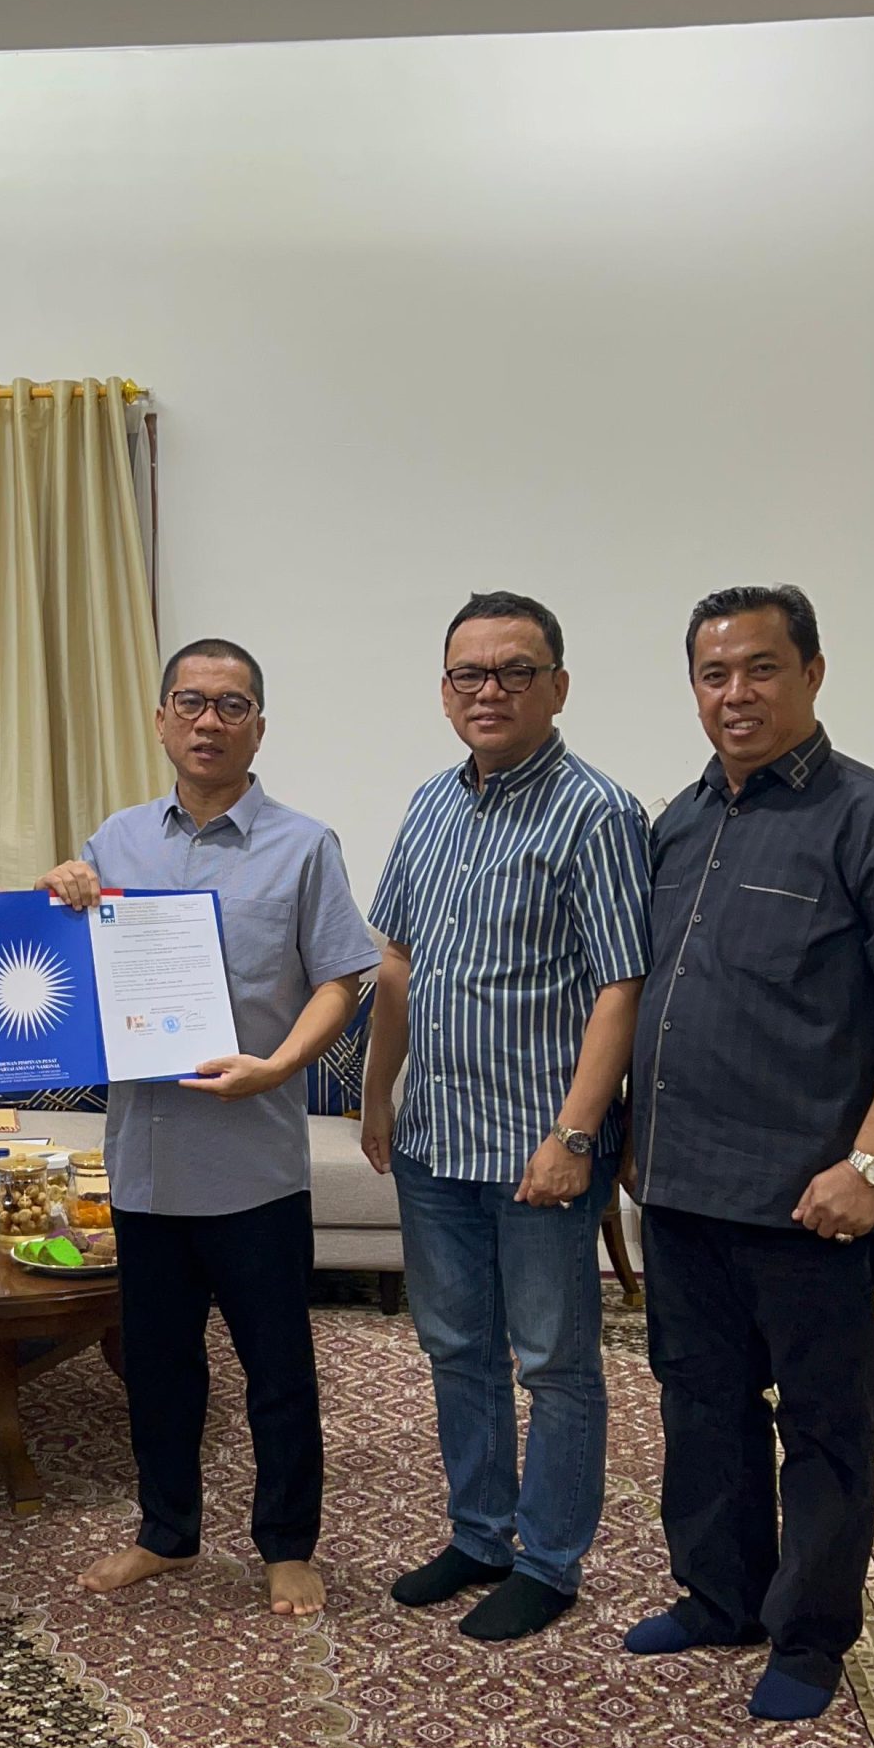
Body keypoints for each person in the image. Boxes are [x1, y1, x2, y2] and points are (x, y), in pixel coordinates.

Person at [623, 584, 874, 1721]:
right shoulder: (679, 823)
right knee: (701, 1404)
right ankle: (721, 1595)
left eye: (760, 668)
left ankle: (808, 1635)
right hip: (683, 1185)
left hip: (811, 1197)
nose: (736, 694)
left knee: (825, 1425)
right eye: (714, 674)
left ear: (812, 673)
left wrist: (873, 1165)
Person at [39, 637, 379, 1618]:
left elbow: (341, 979)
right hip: (146, 1164)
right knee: (158, 1367)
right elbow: (69, 971)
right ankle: (165, 1532)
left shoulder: (304, 846)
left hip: (254, 1163)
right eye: (190, 702)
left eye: (232, 705)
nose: (208, 721)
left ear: (259, 727)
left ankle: (287, 1544)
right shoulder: (115, 842)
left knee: (277, 1370)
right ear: (160, 721)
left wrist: (280, 1065)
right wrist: (59, 894)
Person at [362, 590, 652, 1642]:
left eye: (514, 671)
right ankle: (480, 1534)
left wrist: (576, 1135)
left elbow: (621, 986)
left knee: (556, 1362)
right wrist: (378, 1090)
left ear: (556, 686)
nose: (490, 690)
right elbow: (398, 965)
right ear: (445, 693)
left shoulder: (598, 813)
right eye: (469, 674)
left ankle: (549, 1559)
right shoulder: (431, 803)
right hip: (437, 1138)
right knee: (456, 1346)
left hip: (538, 1147)